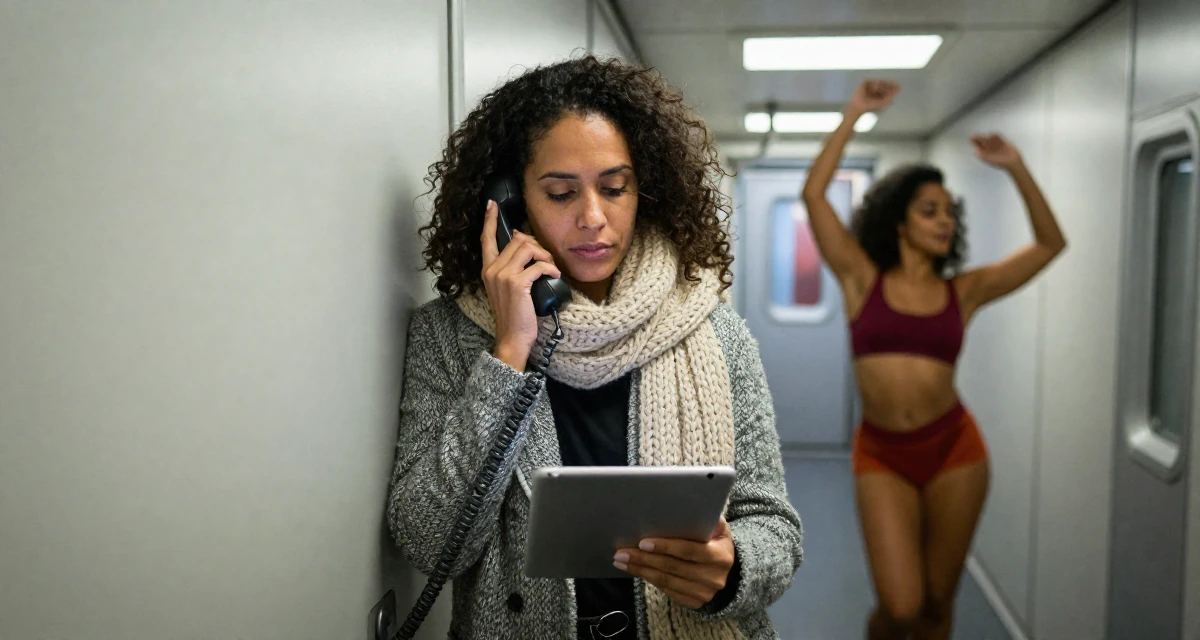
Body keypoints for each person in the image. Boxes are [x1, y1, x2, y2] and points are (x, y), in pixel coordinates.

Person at [387, 55, 803, 640]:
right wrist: (508, 354)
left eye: (614, 188)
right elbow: (430, 541)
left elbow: (773, 526)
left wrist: (733, 572)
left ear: (644, 190)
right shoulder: (450, 335)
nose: (593, 217)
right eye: (560, 194)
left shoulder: (712, 329)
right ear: (507, 204)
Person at [802, 80, 1066, 640]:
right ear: (900, 220)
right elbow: (814, 197)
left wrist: (1016, 167)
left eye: (949, 212)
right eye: (929, 211)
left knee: (937, 606)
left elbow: (1049, 244)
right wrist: (854, 115)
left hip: (955, 452)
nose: (944, 221)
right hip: (882, 454)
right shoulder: (860, 279)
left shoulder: (963, 291)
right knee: (900, 607)